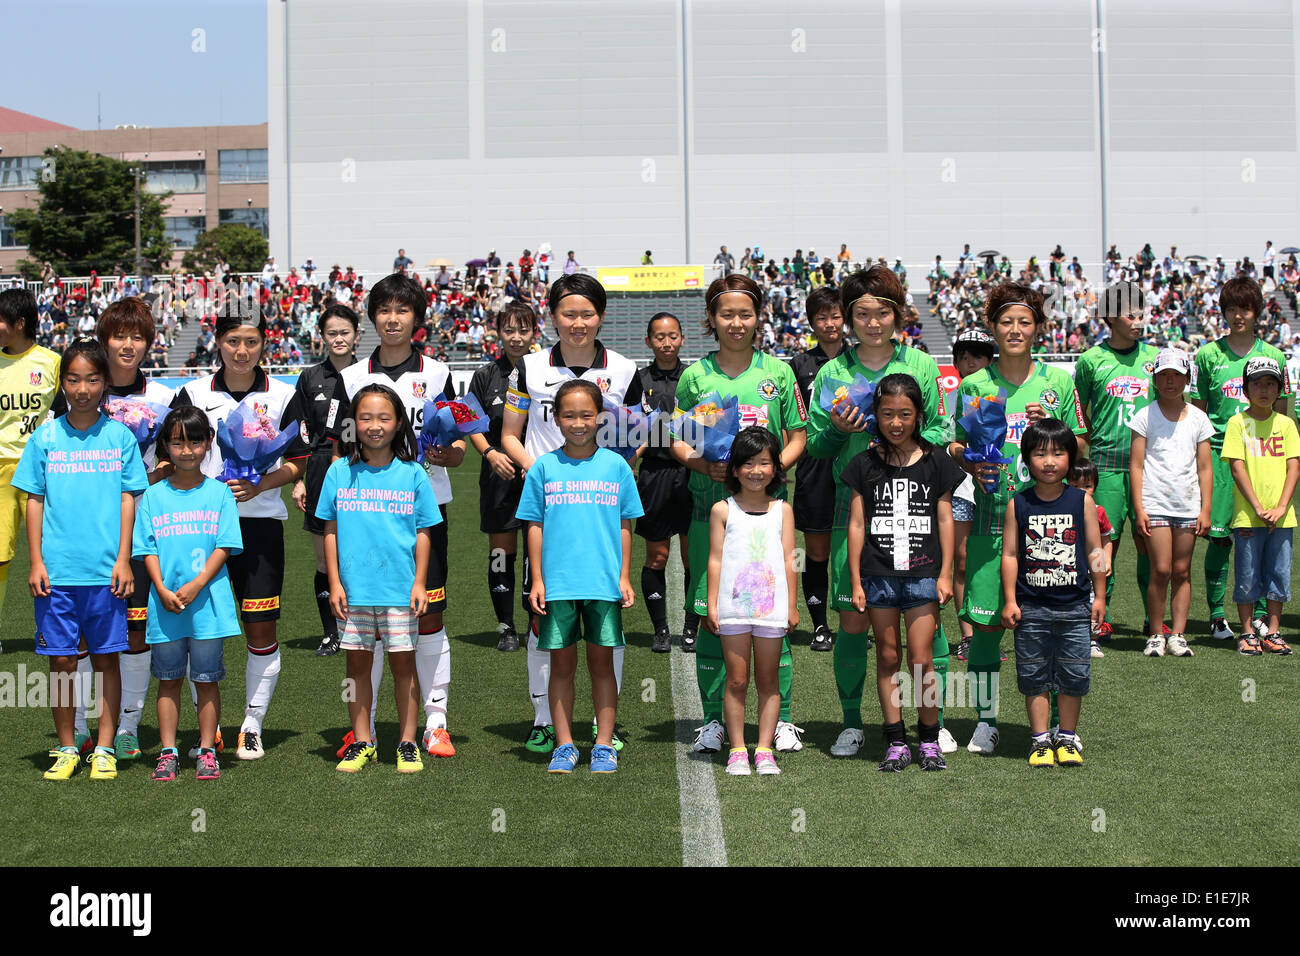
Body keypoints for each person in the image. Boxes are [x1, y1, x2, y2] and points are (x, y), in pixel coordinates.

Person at [805, 266, 954, 758]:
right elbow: (817, 446)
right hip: (857, 517)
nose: (872, 322)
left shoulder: (923, 366)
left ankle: (932, 723)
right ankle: (852, 722)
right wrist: (841, 431)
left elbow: (940, 433)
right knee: (853, 620)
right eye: (862, 314)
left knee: (925, 626)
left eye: (882, 312)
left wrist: (899, 437)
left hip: (916, 515)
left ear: (897, 315)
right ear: (847, 319)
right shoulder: (832, 373)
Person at [502, 273, 643, 754]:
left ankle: (608, 726)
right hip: (549, 513)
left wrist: (613, 471)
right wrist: (544, 474)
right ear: (552, 316)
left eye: (587, 313)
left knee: (607, 621)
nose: (578, 323)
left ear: (601, 316)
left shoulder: (625, 370)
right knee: (542, 614)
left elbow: (637, 435)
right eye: (568, 314)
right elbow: (509, 435)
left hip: (600, 516)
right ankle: (544, 719)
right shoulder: (527, 368)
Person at [670, 273, 807, 756]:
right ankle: (713, 721)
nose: (736, 322)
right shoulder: (695, 377)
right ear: (711, 318)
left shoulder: (781, 373)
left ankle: (783, 720)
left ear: (758, 317)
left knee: (774, 612)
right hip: (713, 509)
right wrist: (701, 462)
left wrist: (766, 474)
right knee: (715, 611)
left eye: (745, 313)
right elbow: (678, 438)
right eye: (726, 313)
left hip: (769, 515)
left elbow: (796, 436)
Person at [950, 283, 1087, 755]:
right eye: (1005, 321)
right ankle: (986, 721)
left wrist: (1055, 427)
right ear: (992, 328)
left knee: (1051, 628)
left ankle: (1055, 731)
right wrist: (970, 459)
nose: (1014, 329)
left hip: (1049, 527)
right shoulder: (974, 385)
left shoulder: (1058, 384)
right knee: (987, 626)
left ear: (1038, 328)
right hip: (992, 521)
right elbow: (954, 445)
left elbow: (1082, 451)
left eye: (1024, 321)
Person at [171, 312, 311, 760]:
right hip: (200, 528)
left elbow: (298, 460)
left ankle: (252, 723)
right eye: (233, 341)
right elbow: (172, 451)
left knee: (260, 626)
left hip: (260, 524)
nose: (241, 351)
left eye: (251, 342)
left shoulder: (285, 394)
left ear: (264, 344)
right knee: (198, 629)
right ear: (218, 343)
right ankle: (206, 731)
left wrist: (260, 485)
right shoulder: (192, 393)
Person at [336, 273, 463, 758]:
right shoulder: (350, 377)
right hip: (364, 519)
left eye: (403, 310)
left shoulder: (437, 372)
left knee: (426, 616)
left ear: (417, 319)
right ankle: (363, 730)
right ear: (372, 317)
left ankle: (434, 721)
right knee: (362, 623)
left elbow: (454, 439)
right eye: (384, 310)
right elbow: (341, 448)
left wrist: (452, 454)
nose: (393, 318)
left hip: (423, 515)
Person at [14, 340, 148, 779]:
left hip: (107, 571)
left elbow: (130, 497)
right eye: (73, 379)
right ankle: (68, 747)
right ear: (62, 383)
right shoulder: (45, 437)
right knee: (62, 662)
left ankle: (105, 748)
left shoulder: (120, 437)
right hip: (56, 573)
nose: (83, 388)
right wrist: (36, 561)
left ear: (105, 383)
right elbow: (34, 500)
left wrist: (124, 558)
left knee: (108, 657)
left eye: (92, 379)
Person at [52, 298, 178, 762]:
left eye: (138, 336)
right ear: (104, 340)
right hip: (84, 534)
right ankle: (81, 726)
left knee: (134, 632)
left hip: (145, 530)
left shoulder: (165, 397)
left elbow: (184, 452)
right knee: (82, 636)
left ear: (149, 343)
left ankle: (127, 725)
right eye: (119, 336)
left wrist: (150, 476)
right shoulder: (77, 393)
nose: (128, 345)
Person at [516, 380, 641, 774]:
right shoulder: (543, 468)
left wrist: (623, 576)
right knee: (561, 666)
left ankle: (603, 744)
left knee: (603, 665)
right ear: (555, 418)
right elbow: (534, 525)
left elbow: (625, 525)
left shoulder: (617, 466)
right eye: (568, 415)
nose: (577, 422)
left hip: (602, 584)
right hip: (558, 585)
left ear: (601, 417)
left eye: (586, 415)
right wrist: (536, 579)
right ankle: (565, 743)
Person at [843, 375, 964, 772]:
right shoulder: (863, 464)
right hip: (877, 576)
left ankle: (928, 738)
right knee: (887, 656)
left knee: (922, 660)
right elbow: (857, 524)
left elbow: (945, 518)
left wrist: (945, 574)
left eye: (905, 414)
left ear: (919, 416)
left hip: (923, 575)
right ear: (875, 414)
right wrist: (857, 581)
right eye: (888, 413)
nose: (896, 422)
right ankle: (895, 740)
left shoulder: (937, 462)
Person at [320, 384, 441, 772]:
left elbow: (424, 532)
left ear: (399, 423)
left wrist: (420, 582)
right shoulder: (339, 471)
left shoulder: (413, 475)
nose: (375, 426)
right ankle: (361, 740)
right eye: (366, 418)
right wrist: (335, 583)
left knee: (403, 667)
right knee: (356, 668)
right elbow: (331, 530)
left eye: (384, 417)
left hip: (400, 590)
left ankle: (407, 741)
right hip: (353, 591)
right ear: (353, 424)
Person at [133, 407, 242, 782]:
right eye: (177, 442)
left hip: (207, 605)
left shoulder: (220, 494)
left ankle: (208, 749)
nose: (187, 450)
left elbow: (224, 546)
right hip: (166, 605)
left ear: (208, 443)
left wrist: (197, 584)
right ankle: (168, 751)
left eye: (195, 441)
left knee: (207, 678)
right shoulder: (152, 497)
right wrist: (161, 588)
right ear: (164, 445)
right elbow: (145, 549)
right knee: (168, 678)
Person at [1000, 418, 1106, 768]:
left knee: (1074, 674)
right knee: (1034, 675)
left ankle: (1068, 737)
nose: (1049, 461)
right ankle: (1040, 740)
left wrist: (1100, 596)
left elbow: (1094, 550)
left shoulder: (1082, 501)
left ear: (1070, 459)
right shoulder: (1019, 503)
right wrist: (1011, 600)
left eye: (1058, 453)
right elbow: (1011, 554)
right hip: (1031, 607)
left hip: (1075, 606)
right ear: (1027, 459)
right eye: (1040, 453)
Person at [1192, 276, 1291, 642]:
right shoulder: (1208, 356)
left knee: (1265, 535)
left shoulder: (1275, 356)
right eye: (1231, 309)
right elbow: (1198, 414)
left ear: (1257, 311)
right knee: (1220, 539)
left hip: (1265, 459)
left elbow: (1284, 414)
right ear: (1223, 312)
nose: (1238, 316)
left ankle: (1262, 614)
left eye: (1245, 308)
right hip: (1220, 459)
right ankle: (1218, 615)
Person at [707, 427, 798, 776]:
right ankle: (737, 749)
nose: (756, 471)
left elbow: (792, 558)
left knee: (768, 681)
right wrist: (713, 603)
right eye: (747, 464)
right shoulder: (722, 510)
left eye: (764, 463)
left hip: (772, 608)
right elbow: (715, 559)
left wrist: (791, 605)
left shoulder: (783, 511)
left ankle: (763, 749)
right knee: (737, 680)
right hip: (733, 607)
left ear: (776, 468)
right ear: (734, 469)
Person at [1072, 283, 1161, 641]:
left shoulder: (1155, 357)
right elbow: (1078, 412)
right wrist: (1092, 443)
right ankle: (1098, 614)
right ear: (1109, 317)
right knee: (1103, 545)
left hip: (1149, 468)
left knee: (1149, 543)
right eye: (1130, 314)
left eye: (1142, 314)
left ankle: (1152, 617)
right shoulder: (1092, 360)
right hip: (1106, 466)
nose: (1138, 321)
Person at [1128, 348, 1213, 658]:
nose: (1170, 381)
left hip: (1188, 505)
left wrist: (1205, 509)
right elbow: (1135, 465)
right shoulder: (1144, 415)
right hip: (1155, 503)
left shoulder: (1199, 418)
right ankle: (1155, 633)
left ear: (1187, 379)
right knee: (1160, 569)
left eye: (1176, 375)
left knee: (1182, 571)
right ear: (1154, 380)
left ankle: (1178, 634)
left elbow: (1205, 467)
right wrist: (1139, 509)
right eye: (1164, 375)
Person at [467, 301, 537, 652]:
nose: (516, 337)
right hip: (498, 476)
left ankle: (536, 623)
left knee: (537, 551)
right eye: (509, 329)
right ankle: (506, 626)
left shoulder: (540, 372)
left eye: (523, 329)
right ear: (497, 332)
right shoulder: (485, 376)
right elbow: (470, 422)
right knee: (501, 553)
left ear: (535, 332)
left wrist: (533, 463)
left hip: (537, 477)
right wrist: (491, 453)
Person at [290, 304, 359, 657]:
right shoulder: (310, 377)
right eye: (331, 333)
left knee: (362, 552)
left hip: (365, 468)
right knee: (324, 558)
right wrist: (299, 479)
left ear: (356, 335)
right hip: (320, 470)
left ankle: (364, 627)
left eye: (344, 332)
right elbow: (297, 429)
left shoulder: (368, 374)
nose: (338, 339)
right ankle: (331, 633)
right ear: (322, 337)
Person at [1221, 356, 1298, 655]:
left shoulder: (1287, 424)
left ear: (1279, 390)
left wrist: (1280, 508)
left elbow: (1294, 467)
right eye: (1257, 384)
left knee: (1279, 574)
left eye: (1270, 384)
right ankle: (1248, 631)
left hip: (1282, 517)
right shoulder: (1237, 423)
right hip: (1247, 516)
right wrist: (1256, 506)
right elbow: (1237, 468)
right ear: (1245, 389)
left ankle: (1274, 632)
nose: (1264, 390)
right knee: (1248, 576)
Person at [0, 288, 61, 657]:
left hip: (44, 469)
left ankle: (52, 630)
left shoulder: (52, 363)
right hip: (1, 469)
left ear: (19, 323)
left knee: (52, 552)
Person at [788, 286, 845, 652]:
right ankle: (821, 624)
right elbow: (791, 420)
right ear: (811, 322)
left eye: (836, 316)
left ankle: (857, 621)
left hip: (855, 463)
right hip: (814, 467)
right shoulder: (798, 366)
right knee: (818, 552)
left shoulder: (858, 361)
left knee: (860, 545)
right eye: (821, 317)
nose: (829, 324)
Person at [634, 312, 692, 653]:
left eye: (673, 336)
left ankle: (690, 627)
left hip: (691, 474)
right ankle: (660, 628)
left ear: (682, 338)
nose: (666, 343)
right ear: (649, 341)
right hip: (653, 474)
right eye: (659, 337)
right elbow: (630, 427)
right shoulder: (639, 380)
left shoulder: (694, 376)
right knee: (656, 556)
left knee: (693, 558)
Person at [948, 329, 995, 663]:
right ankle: (967, 635)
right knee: (962, 560)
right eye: (963, 357)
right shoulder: (954, 395)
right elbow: (952, 443)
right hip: (963, 488)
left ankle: (1000, 625)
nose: (969, 363)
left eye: (976, 356)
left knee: (1000, 557)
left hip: (1000, 489)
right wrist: (965, 456)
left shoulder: (1005, 391)